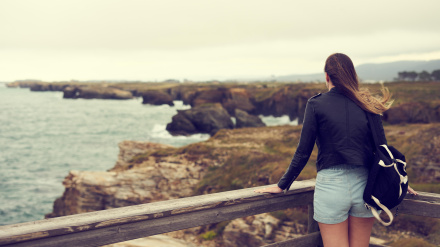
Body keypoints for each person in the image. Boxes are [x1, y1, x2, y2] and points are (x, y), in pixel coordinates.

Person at [255, 53, 417, 247]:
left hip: (331, 187)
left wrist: (282, 185)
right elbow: (383, 151)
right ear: (352, 75)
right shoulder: (368, 105)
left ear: (327, 76)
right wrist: (400, 181)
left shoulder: (315, 104)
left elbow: (303, 151)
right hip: (366, 187)